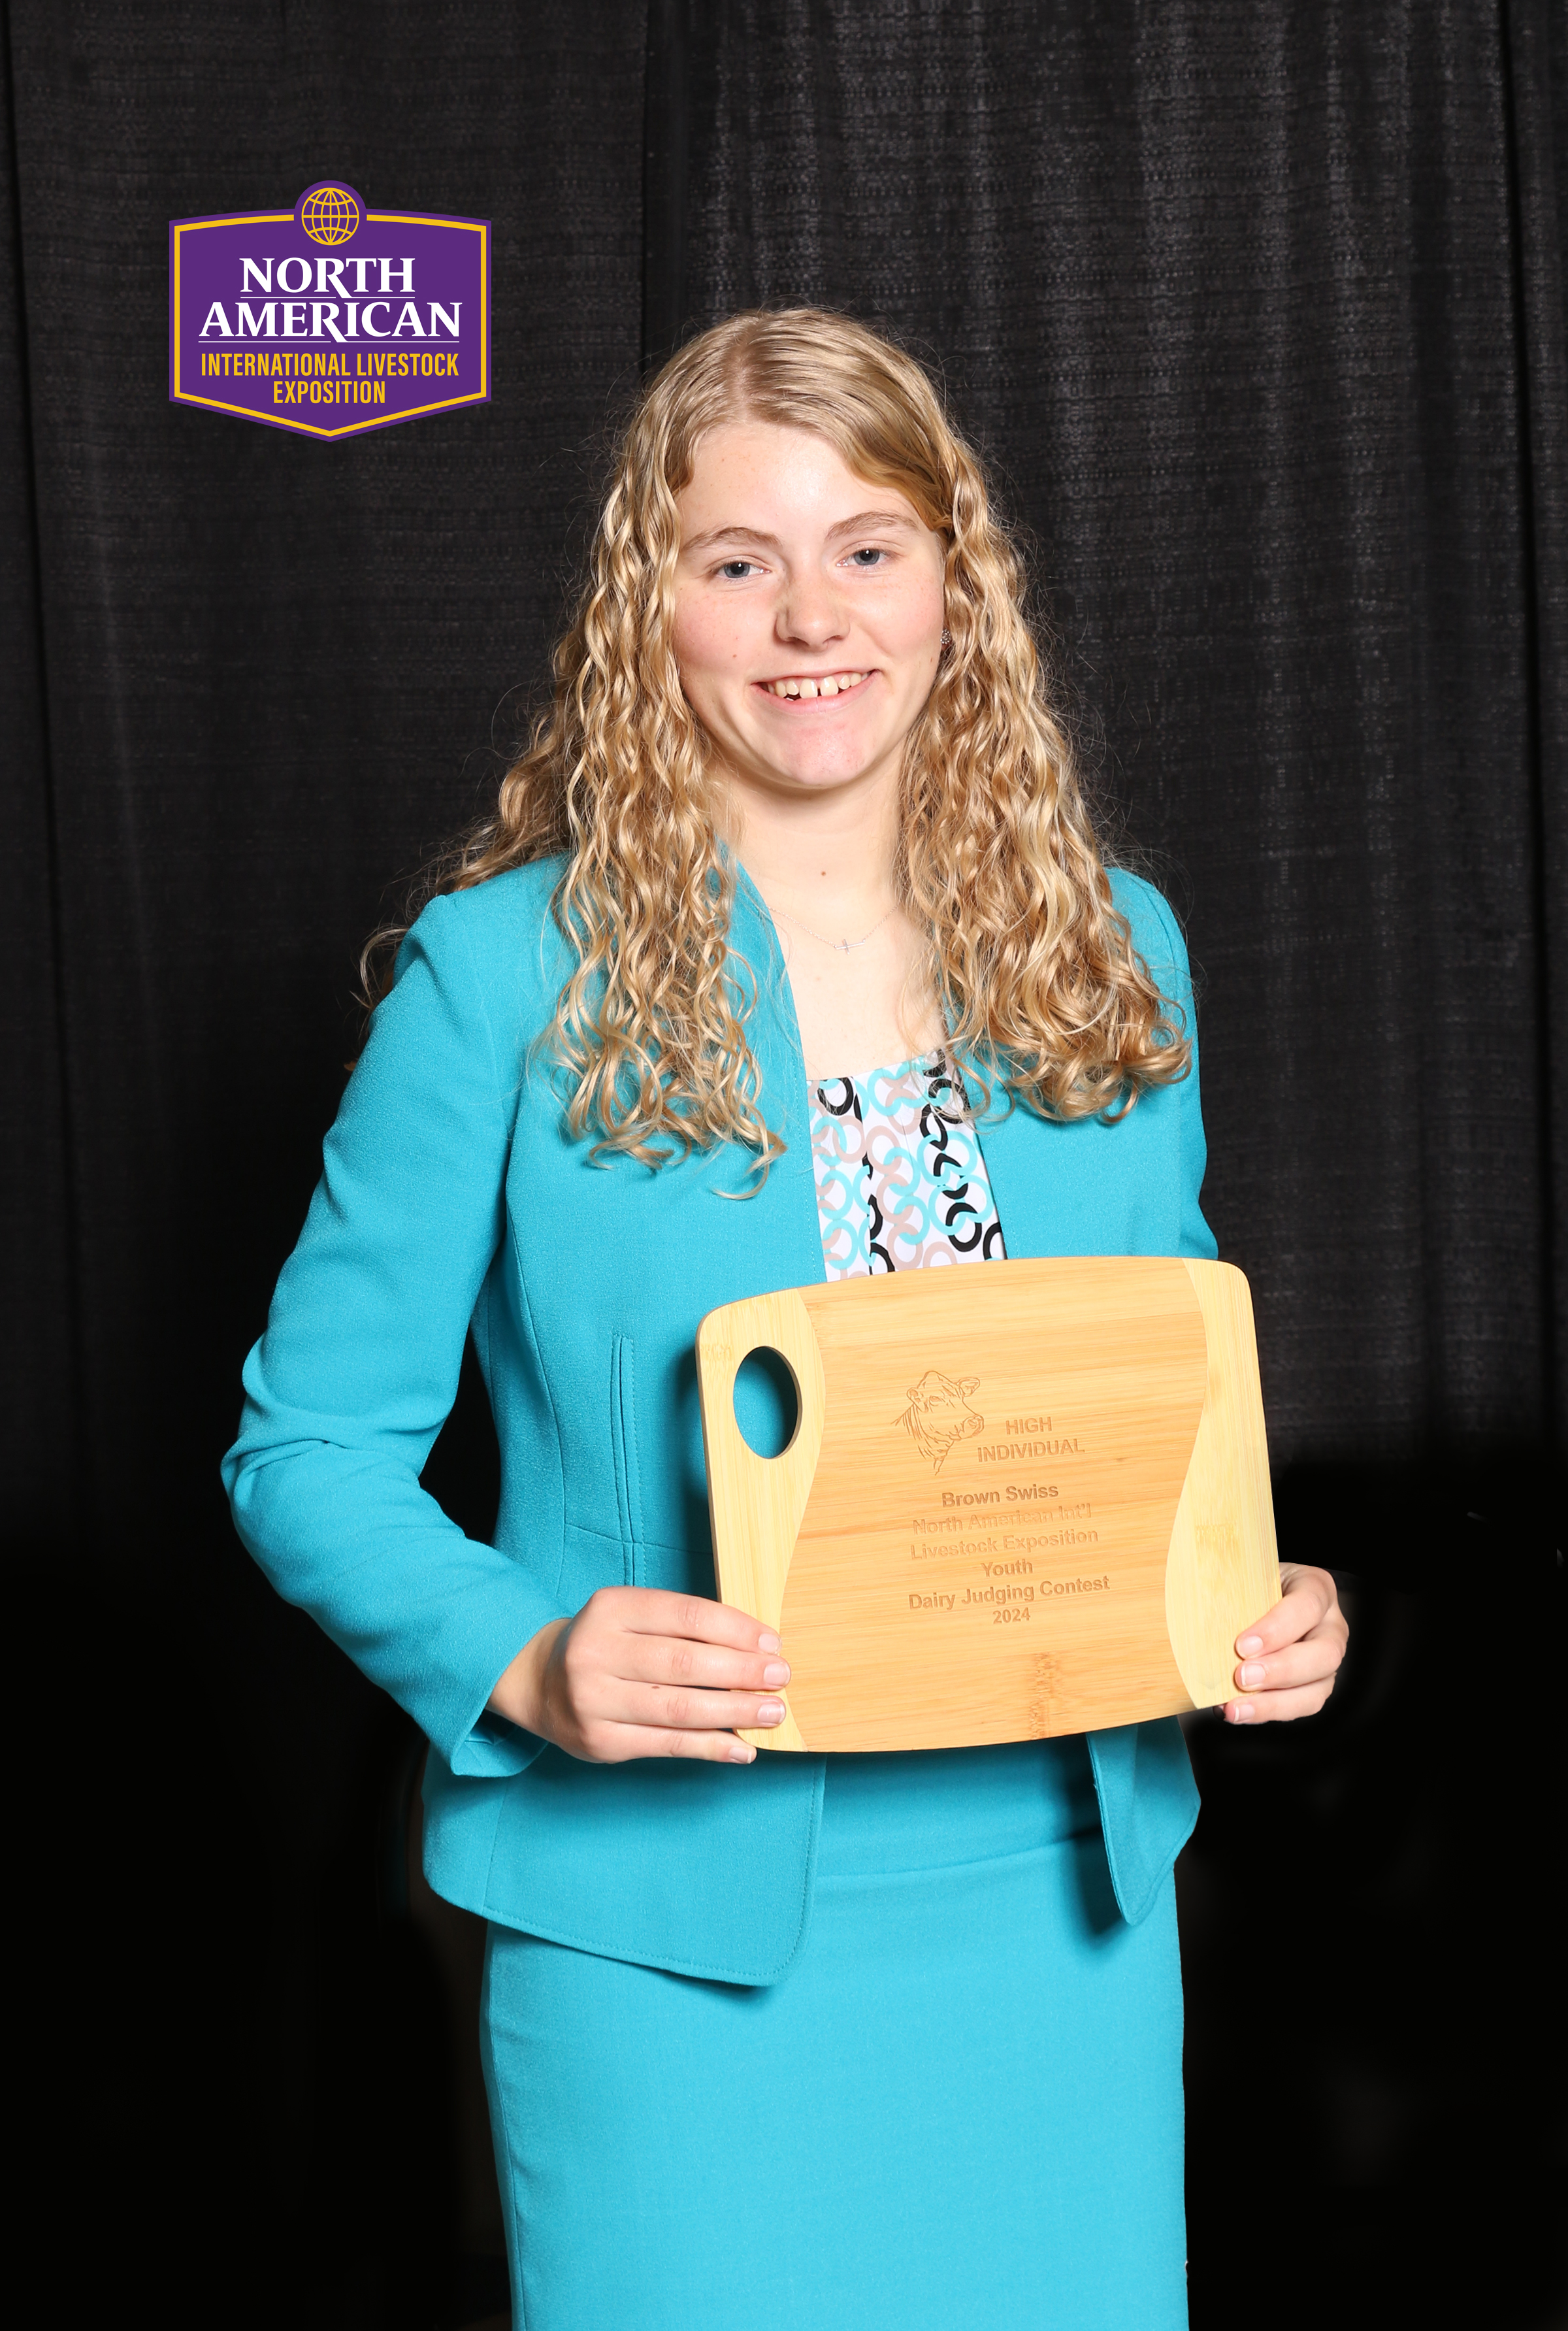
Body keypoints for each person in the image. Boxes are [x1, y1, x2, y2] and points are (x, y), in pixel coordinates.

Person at [223, 308, 1347, 2330]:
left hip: (1062, 1918)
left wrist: (1252, 1598)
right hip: (667, 1934)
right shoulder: (499, 980)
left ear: (953, 583)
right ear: (649, 608)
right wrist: (525, 1658)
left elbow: (1160, 1404)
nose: (806, 615)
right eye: (735, 559)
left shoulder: (1113, 945)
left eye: (867, 547)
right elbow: (305, 1449)